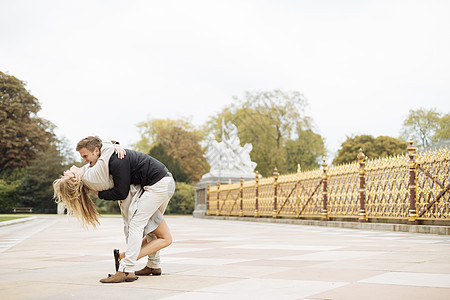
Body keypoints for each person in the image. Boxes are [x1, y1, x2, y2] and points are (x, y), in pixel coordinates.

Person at [53, 137, 174, 283]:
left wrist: (115, 145)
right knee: (151, 228)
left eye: (85, 156)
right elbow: (119, 190)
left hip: (159, 184)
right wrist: (114, 146)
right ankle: (153, 265)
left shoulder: (108, 160)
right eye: (66, 175)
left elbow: (120, 191)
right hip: (159, 183)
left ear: (97, 151)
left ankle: (126, 268)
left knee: (137, 224)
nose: (82, 161)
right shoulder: (92, 172)